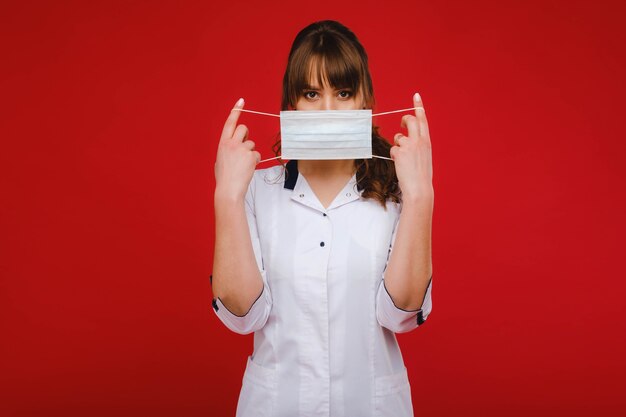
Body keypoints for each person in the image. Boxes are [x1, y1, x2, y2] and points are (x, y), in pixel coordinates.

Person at [211, 20, 434, 417]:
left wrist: (420, 195)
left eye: (343, 92)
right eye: (312, 93)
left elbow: (400, 315)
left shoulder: (400, 190)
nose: (328, 110)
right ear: (291, 104)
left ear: (365, 102)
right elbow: (243, 316)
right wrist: (227, 196)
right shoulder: (256, 190)